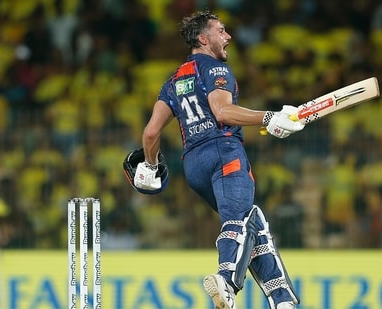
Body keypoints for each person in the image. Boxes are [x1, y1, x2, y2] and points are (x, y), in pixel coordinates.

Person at [127, 10, 302, 309]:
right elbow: (222, 112)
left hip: (194, 165)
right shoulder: (215, 69)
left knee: (252, 220)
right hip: (224, 153)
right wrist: (269, 117)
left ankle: (281, 298)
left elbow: (151, 133)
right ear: (203, 38)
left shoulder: (173, 81)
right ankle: (227, 280)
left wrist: (152, 166)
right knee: (239, 220)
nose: (229, 36)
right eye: (221, 31)